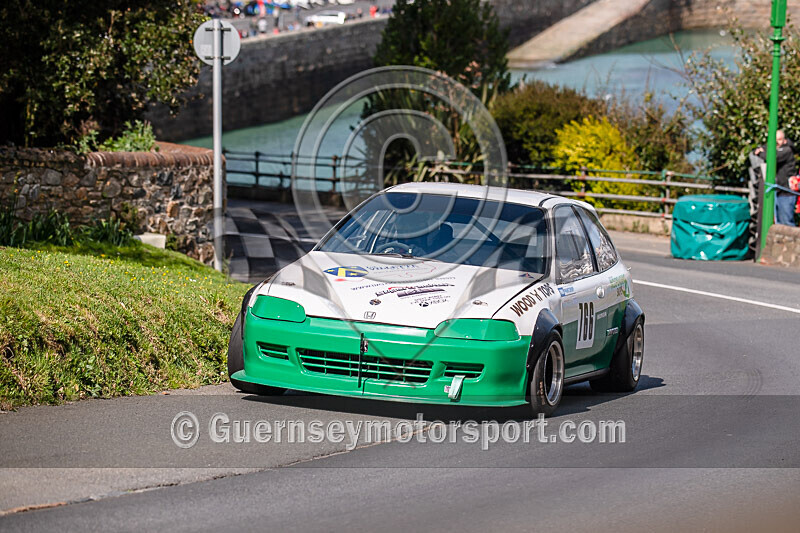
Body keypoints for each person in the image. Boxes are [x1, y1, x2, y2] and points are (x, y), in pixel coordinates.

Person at [755, 129, 798, 226]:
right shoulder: (777, 148)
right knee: (778, 223)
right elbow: (763, 149)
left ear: (784, 140)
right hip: (777, 191)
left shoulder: (786, 150)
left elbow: (772, 157)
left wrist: (760, 153)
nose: (776, 143)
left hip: (786, 193)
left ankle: (791, 241)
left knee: (786, 222)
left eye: (779, 140)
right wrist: (759, 149)